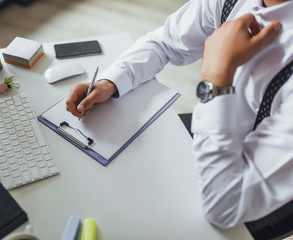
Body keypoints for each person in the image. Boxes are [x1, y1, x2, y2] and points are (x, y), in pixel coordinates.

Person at [66, 0, 293, 228]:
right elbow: (164, 42)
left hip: (262, 186)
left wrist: (216, 75)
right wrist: (111, 81)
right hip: (214, 131)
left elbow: (223, 206)